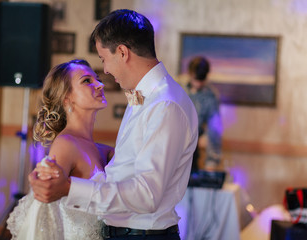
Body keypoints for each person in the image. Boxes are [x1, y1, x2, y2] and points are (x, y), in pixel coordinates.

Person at [29, 9, 198, 240]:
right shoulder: (144, 97)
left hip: (143, 235)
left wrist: (69, 188)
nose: (105, 71)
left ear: (122, 52)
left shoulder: (164, 104)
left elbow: (147, 194)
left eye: (103, 59)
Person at [6, 59, 114, 239]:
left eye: (97, 79)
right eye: (87, 81)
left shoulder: (104, 151)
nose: (100, 84)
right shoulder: (65, 144)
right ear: (67, 98)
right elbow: (44, 213)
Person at [185, 56, 222, 172]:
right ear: (190, 74)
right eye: (196, 79)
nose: (199, 83)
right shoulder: (179, 91)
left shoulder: (210, 96)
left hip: (193, 149)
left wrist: (212, 160)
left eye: (202, 80)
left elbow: (214, 129)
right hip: (174, 146)